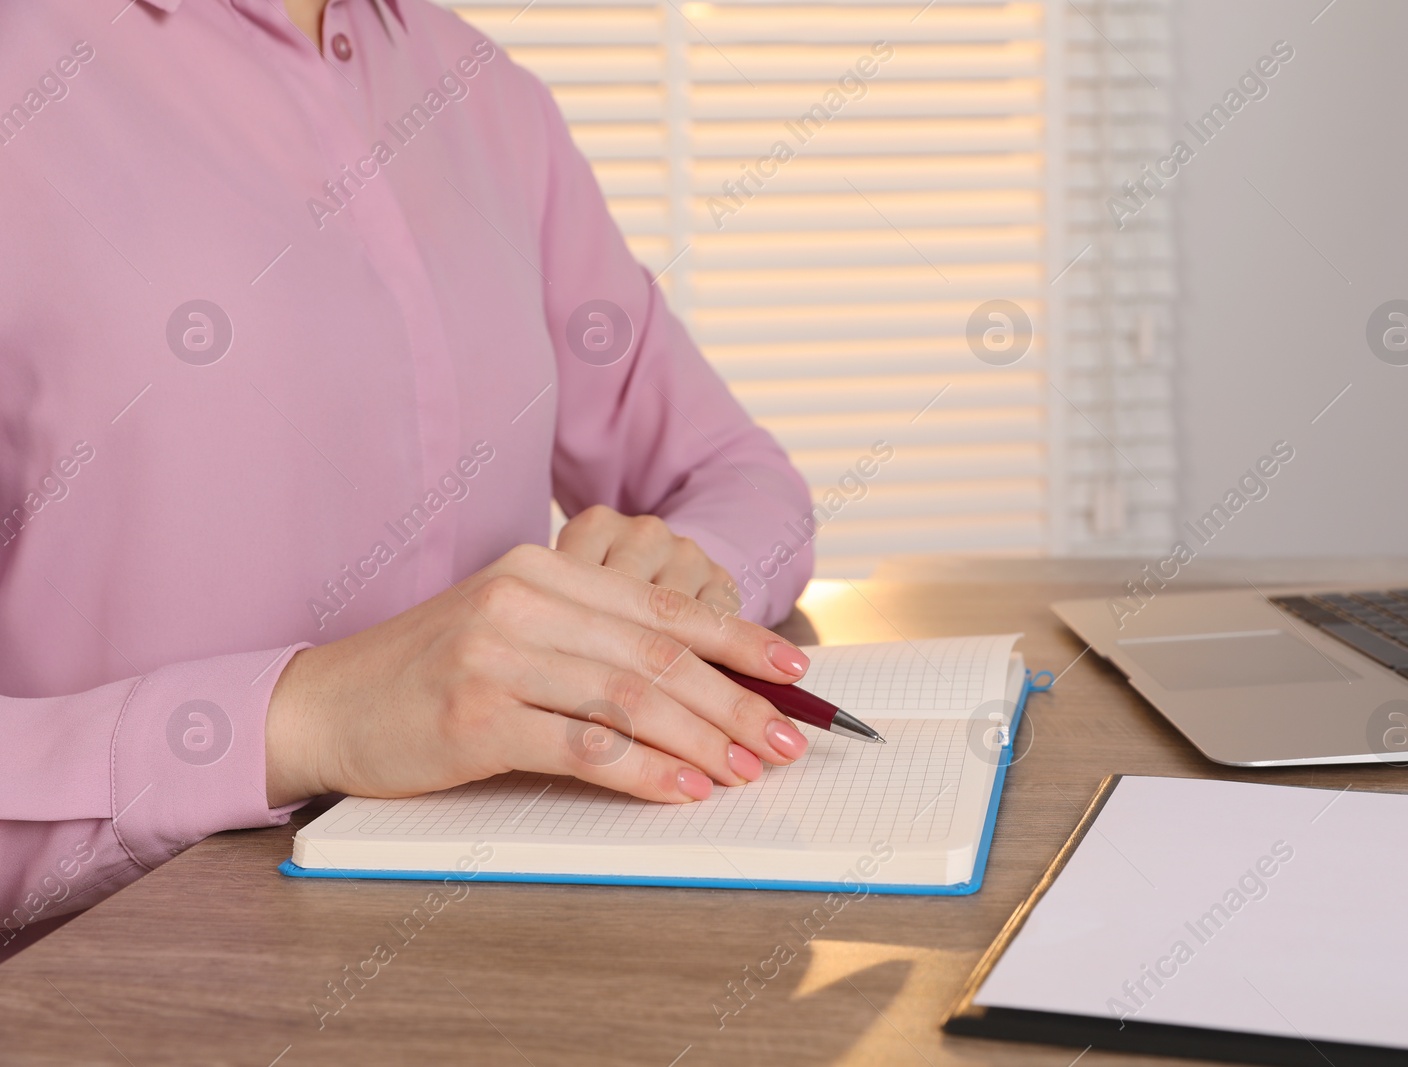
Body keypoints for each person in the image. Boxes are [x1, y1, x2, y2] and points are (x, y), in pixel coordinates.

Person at [0, 0, 816, 957]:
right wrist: (304, 716)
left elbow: (738, 475)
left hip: (496, 954)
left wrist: (682, 588)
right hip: (115, 996)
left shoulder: (483, 91)